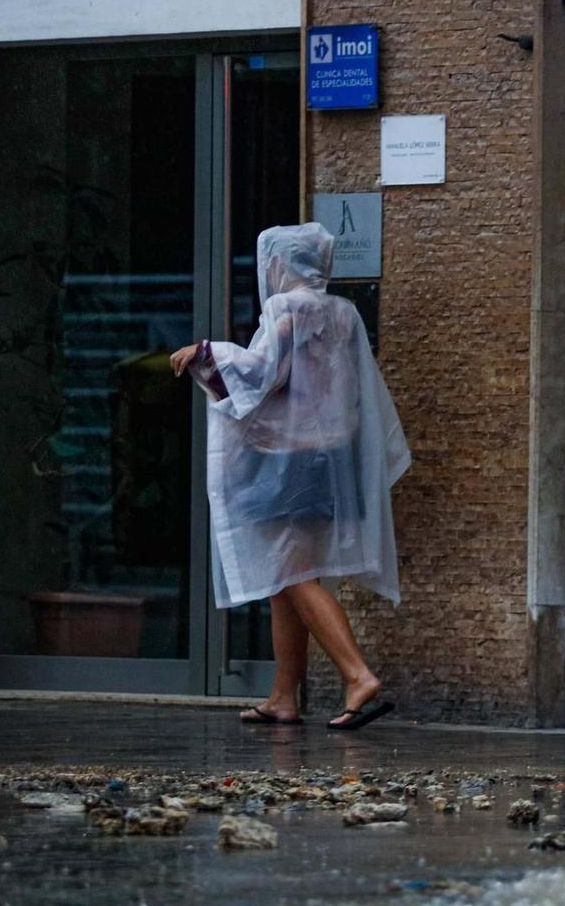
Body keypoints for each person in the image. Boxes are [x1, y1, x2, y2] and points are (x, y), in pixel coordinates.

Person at [168, 223, 411, 731]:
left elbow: (261, 372)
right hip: (331, 455)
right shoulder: (343, 313)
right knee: (287, 575)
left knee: (292, 572)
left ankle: (357, 673)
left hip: (293, 459)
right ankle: (283, 695)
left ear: (282, 263)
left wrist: (206, 353)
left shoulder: (288, 309)